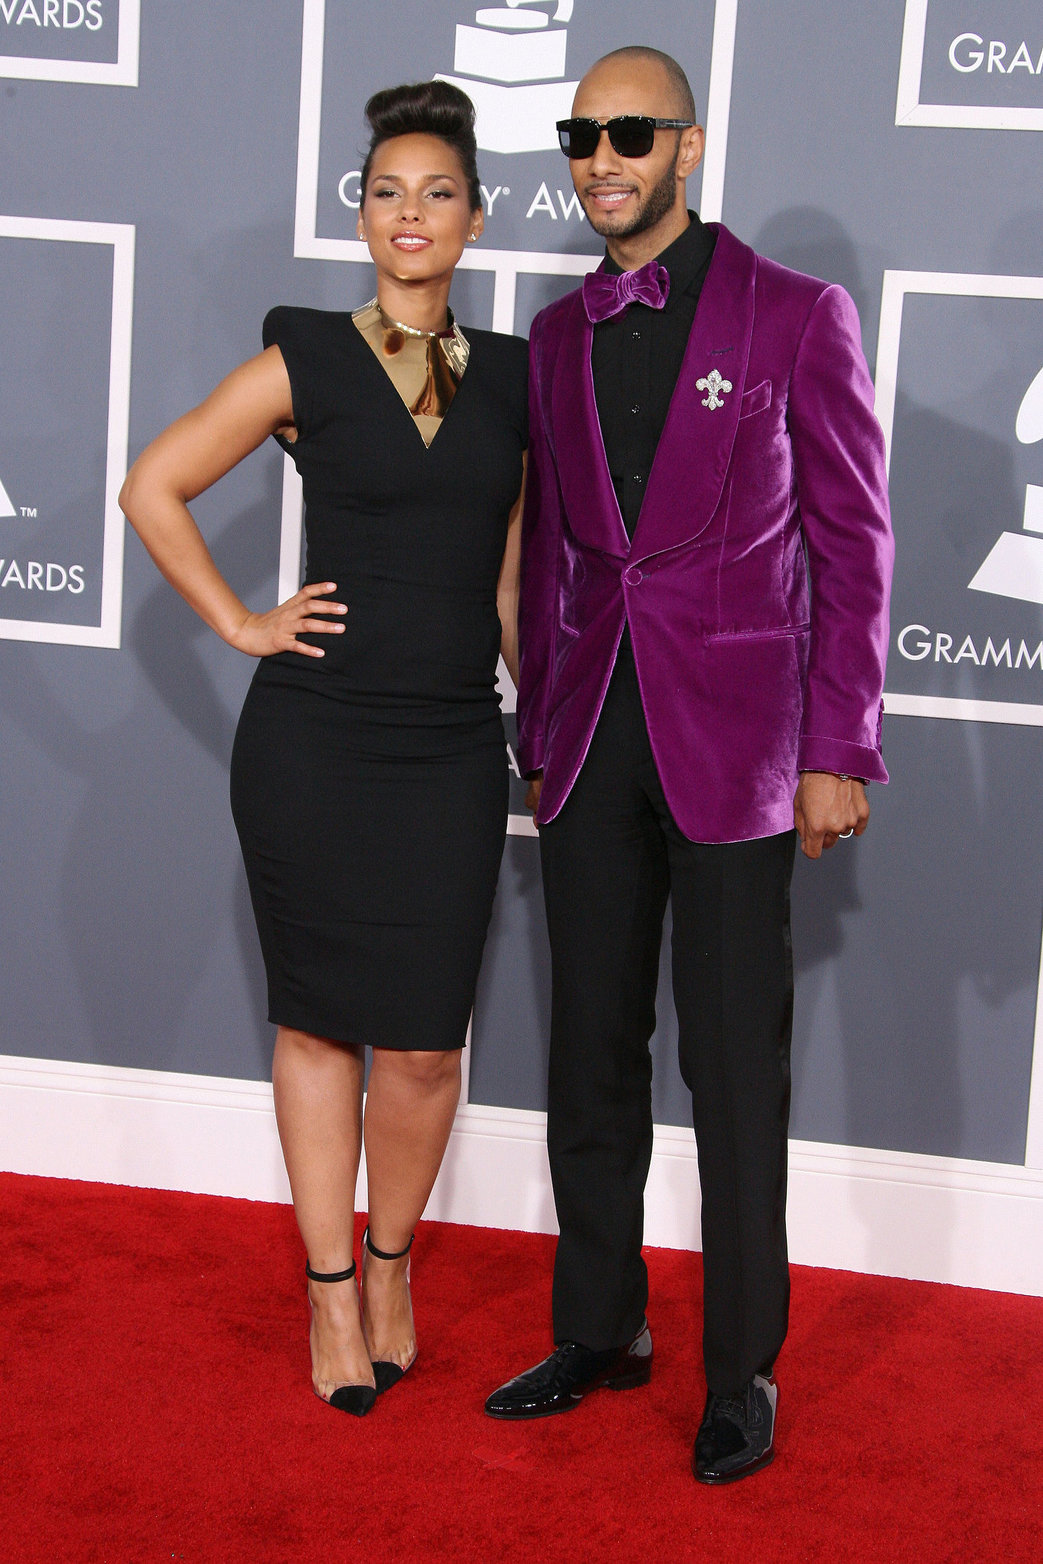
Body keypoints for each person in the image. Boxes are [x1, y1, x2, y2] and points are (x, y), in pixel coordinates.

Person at [484, 47, 893, 1483]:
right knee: (589, 1050)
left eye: (630, 132)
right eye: (581, 133)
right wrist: (542, 727)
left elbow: (853, 546)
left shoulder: (795, 313)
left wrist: (838, 745)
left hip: (741, 748)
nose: (601, 157)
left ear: (689, 145)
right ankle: (601, 1329)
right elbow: (550, 554)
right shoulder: (554, 335)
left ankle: (740, 1372)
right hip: (591, 739)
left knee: (732, 1070)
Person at [120, 81, 527, 1418]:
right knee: (318, 1027)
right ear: (361, 218)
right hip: (316, 742)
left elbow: (510, 583)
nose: (411, 214)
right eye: (387, 192)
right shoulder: (304, 355)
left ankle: (394, 1263)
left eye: (438, 192)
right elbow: (151, 484)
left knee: (424, 1048)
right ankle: (331, 1289)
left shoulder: (517, 379)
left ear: (475, 219)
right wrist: (244, 622)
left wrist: (547, 723)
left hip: (451, 746)